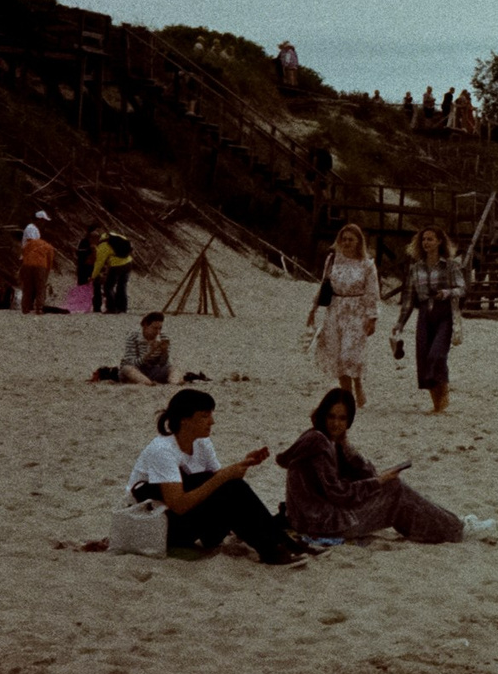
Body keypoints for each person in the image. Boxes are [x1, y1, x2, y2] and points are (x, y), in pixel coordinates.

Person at [127, 389, 303, 565]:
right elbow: (179, 504)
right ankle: (274, 548)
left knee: (233, 487)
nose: (212, 421)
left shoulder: (201, 442)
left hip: (183, 520)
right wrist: (226, 476)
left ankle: (280, 543)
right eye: (204, 416)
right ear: (184, 419)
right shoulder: (162, 450)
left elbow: (220, 485)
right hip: (155, 526)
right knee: (231, 486)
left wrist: (244, 464)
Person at [276, 389, 463, 544]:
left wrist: (346, 447)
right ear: (323, 415)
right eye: (331, 416)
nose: (335, 423)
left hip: (314, 517)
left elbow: (365, 474)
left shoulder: (325, 440)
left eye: (342, 419)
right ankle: (454, 529)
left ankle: (451, 523)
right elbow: (339, 493)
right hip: (320, 522)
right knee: (395, 489)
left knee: (394, 488)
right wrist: (378, 481)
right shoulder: (318, 442)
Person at [307, 223, 380, 413]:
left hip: (357, 311)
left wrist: (372, 317)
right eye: (344, 239)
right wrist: (313, 310)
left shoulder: (367, 264)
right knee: (338, 356)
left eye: (351, 239)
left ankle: (358, 384)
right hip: (335, 310)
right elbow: (324, 284)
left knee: (350, 354)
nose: (347, 243)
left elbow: (372, 292)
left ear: (358, 242)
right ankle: (348, 397)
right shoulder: (333, 260)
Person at [392, 226, 461, 413]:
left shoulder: (450, 266)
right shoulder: (416, 268)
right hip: (424, 313)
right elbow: (408, 299)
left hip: (444, 313)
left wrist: (445, 292)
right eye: (424, 240)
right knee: (423, 357)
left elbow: (461, 288)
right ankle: (436, 403)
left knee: (436, 355)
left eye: (430, 239)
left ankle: (444, 390)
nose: (426, 243)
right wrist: (399, 324)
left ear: (439, 241)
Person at [118, 312, 185, 386]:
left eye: (160, 328)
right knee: (127, 369)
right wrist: (150, 352)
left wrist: (164, 351)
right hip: (138, 369)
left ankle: (174, 384)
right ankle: (149, 384)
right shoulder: (133, 338)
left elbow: (163, 363)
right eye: (155, 328)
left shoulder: (163, 337)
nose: (158, 332)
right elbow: (132, 363)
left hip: (154, 370)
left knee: (173, 368)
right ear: (145, 326)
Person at [91, 230, 135, 314]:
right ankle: (123, 308)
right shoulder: (114, 236)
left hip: (117, 265)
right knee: (122, 286)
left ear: (95, 239)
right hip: (129, 263)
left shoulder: (103, 246)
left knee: (108, 287)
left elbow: (99, 263)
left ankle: (112, 308)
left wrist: (93, 276)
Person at [17, 225, 56, 315]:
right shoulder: (48, 247)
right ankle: (39, 308)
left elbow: (23, 255)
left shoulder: (28, 245)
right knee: (40, 288)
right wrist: (47, 272)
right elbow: (50, 261)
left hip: (27, 265)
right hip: (41, 266)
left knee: (27, 288)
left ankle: (25, 308)